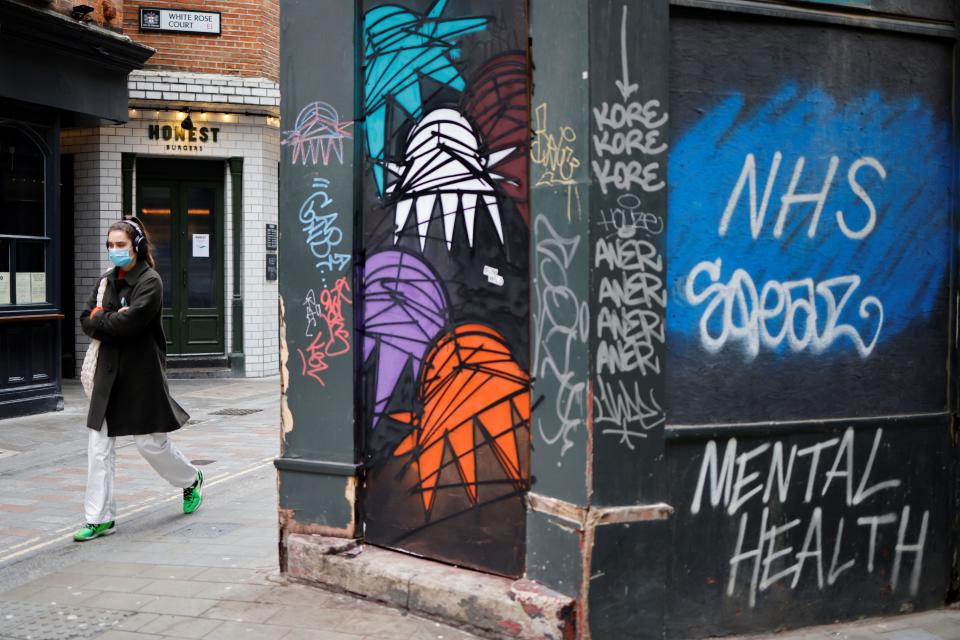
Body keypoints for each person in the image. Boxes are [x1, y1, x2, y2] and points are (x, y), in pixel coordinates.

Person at [74, 217, 202, 542]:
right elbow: (85, 321)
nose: (114, 250)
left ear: (137, 246)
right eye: (110, 245)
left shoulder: (151, 281)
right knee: (99, 447)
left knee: (151, 444)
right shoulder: (106, 280)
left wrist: (103, 317)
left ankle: (190, 479)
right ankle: (99, 518)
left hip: (141, 376)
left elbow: (129, 324)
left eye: (121, 245)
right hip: (108, 373)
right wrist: (108, 318)